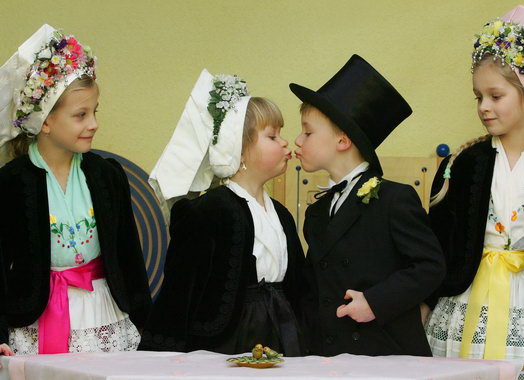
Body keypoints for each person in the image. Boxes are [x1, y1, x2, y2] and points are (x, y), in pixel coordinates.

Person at [424, 6, 524, 379]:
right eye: (478, 97)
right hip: (468, 302)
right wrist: (423, 306)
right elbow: (436, 242)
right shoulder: (462, 163)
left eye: (495, 95)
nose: (484, 107)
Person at [0, 24, 151, 356]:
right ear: (45, 121)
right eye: (80, 115)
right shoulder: (12, 182)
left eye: (94, 112)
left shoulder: (107, 175)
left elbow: (128, 254)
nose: (93, 124)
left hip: (102, 310)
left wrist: (145, 321)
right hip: (36, 316)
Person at [140, 70, 307, 356]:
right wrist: (165, 352)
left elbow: (299, 285)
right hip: (231, 339)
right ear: (239, 151)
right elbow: (182, 286)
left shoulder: (281, 214)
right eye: (272, 136)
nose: (284, 142)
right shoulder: (210, 211)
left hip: (282, 331)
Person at [290, 54, 445, 356]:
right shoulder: (317, 212)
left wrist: (376, 301)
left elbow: (430, 267)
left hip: (386, 351)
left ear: (342, 141)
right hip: (329, 354)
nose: (297, 140)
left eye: (307, 132)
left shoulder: (393, 199)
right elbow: (315, 287)